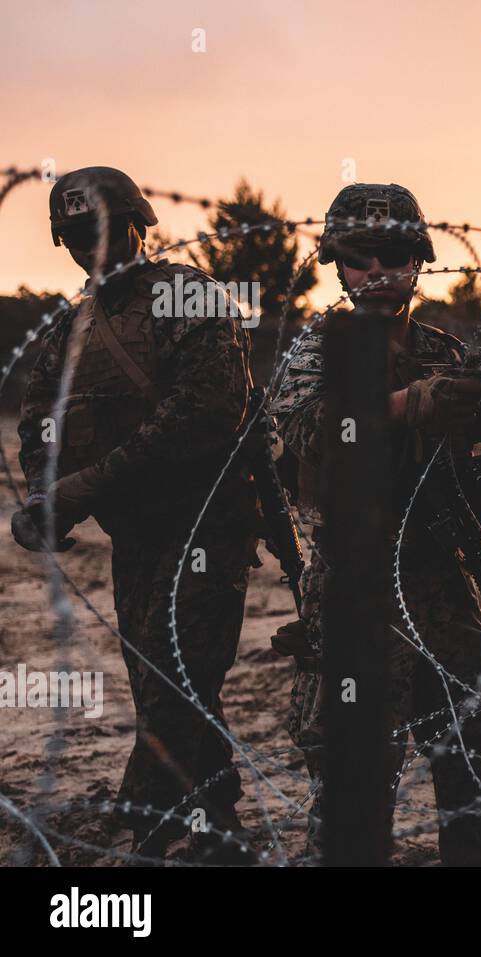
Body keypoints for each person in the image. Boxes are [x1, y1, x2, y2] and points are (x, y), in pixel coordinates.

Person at [271, 183, 481, 865]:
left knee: (468, 781)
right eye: (359, 257)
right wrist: (408, 406)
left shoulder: (454, 360)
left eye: (393, 254)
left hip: (444, 590)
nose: (376, 272)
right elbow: (313, 431)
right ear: (337, 264)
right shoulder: (316, 354)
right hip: (355, 594)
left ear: (417, 261)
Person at [15, 166, 259, 862]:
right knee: (160, 675)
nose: (88, 246)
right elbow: (39, 421)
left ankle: (147, 828)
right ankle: (221, 826)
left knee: (176, 678)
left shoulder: (186, 296)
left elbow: (204, 416)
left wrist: (86, 486)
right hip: (137, 534)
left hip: (207, 522)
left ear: (136, 223)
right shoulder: (75, 326)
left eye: (100, 228)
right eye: (73, 235)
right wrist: (45, 494)